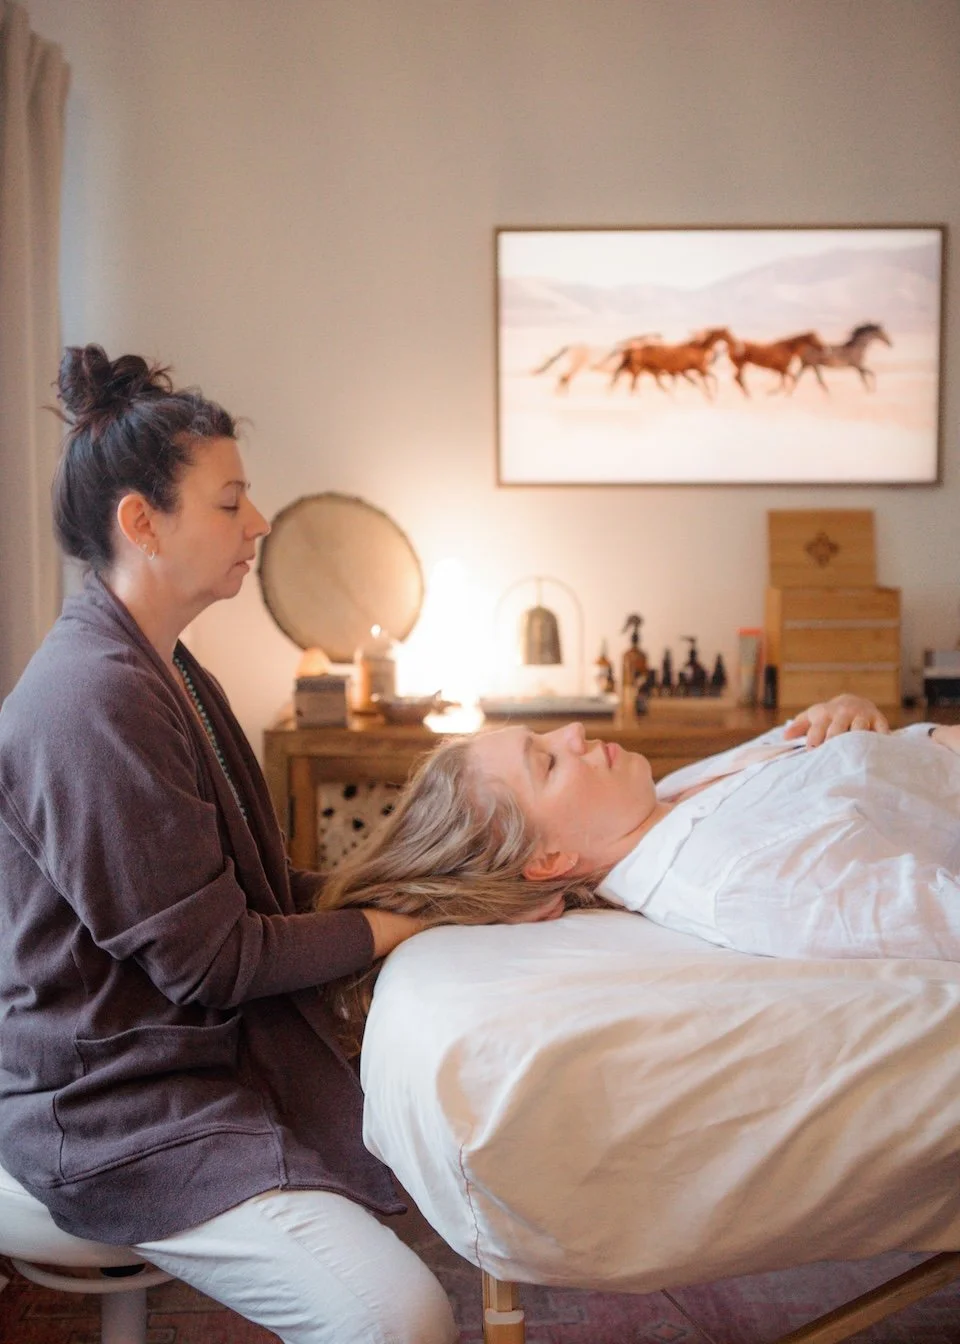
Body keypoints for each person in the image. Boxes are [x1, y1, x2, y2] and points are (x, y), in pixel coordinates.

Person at [0, 346, 476, 1344]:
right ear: (142, 522)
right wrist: (394, 921)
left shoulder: (168, 670)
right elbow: (213, 956)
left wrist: (423, 891)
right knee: (402, 1318)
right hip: (108, 1101)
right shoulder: (94, 701)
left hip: (179, 1060)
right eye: (230, 503)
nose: (257, 523)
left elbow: (253, 890)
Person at [320, 693, 960, 1050]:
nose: (573, 732)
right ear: (548, 862)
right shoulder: (740, 879)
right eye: (547, 763)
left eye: (543, 735)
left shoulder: (662, 800)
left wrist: (853, 718)